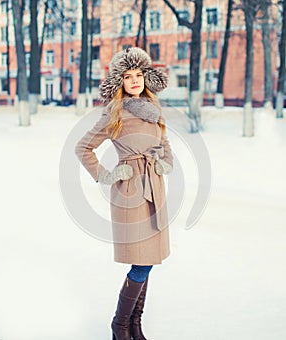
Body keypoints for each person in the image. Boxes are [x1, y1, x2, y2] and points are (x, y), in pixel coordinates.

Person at [75, 47, 173, 340]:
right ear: (119, 81)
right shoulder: (114, 112)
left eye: (139, 74)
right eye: (128, 76)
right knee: (141, 260)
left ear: (146, 77)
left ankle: (134, 325)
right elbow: (83, 147)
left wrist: (165, 162)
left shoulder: (154, 110)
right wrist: (107, 175)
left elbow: (165, 143)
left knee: (150, 259)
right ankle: (120, 325)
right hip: (131, 191)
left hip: (155, 188)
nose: (134, 81)